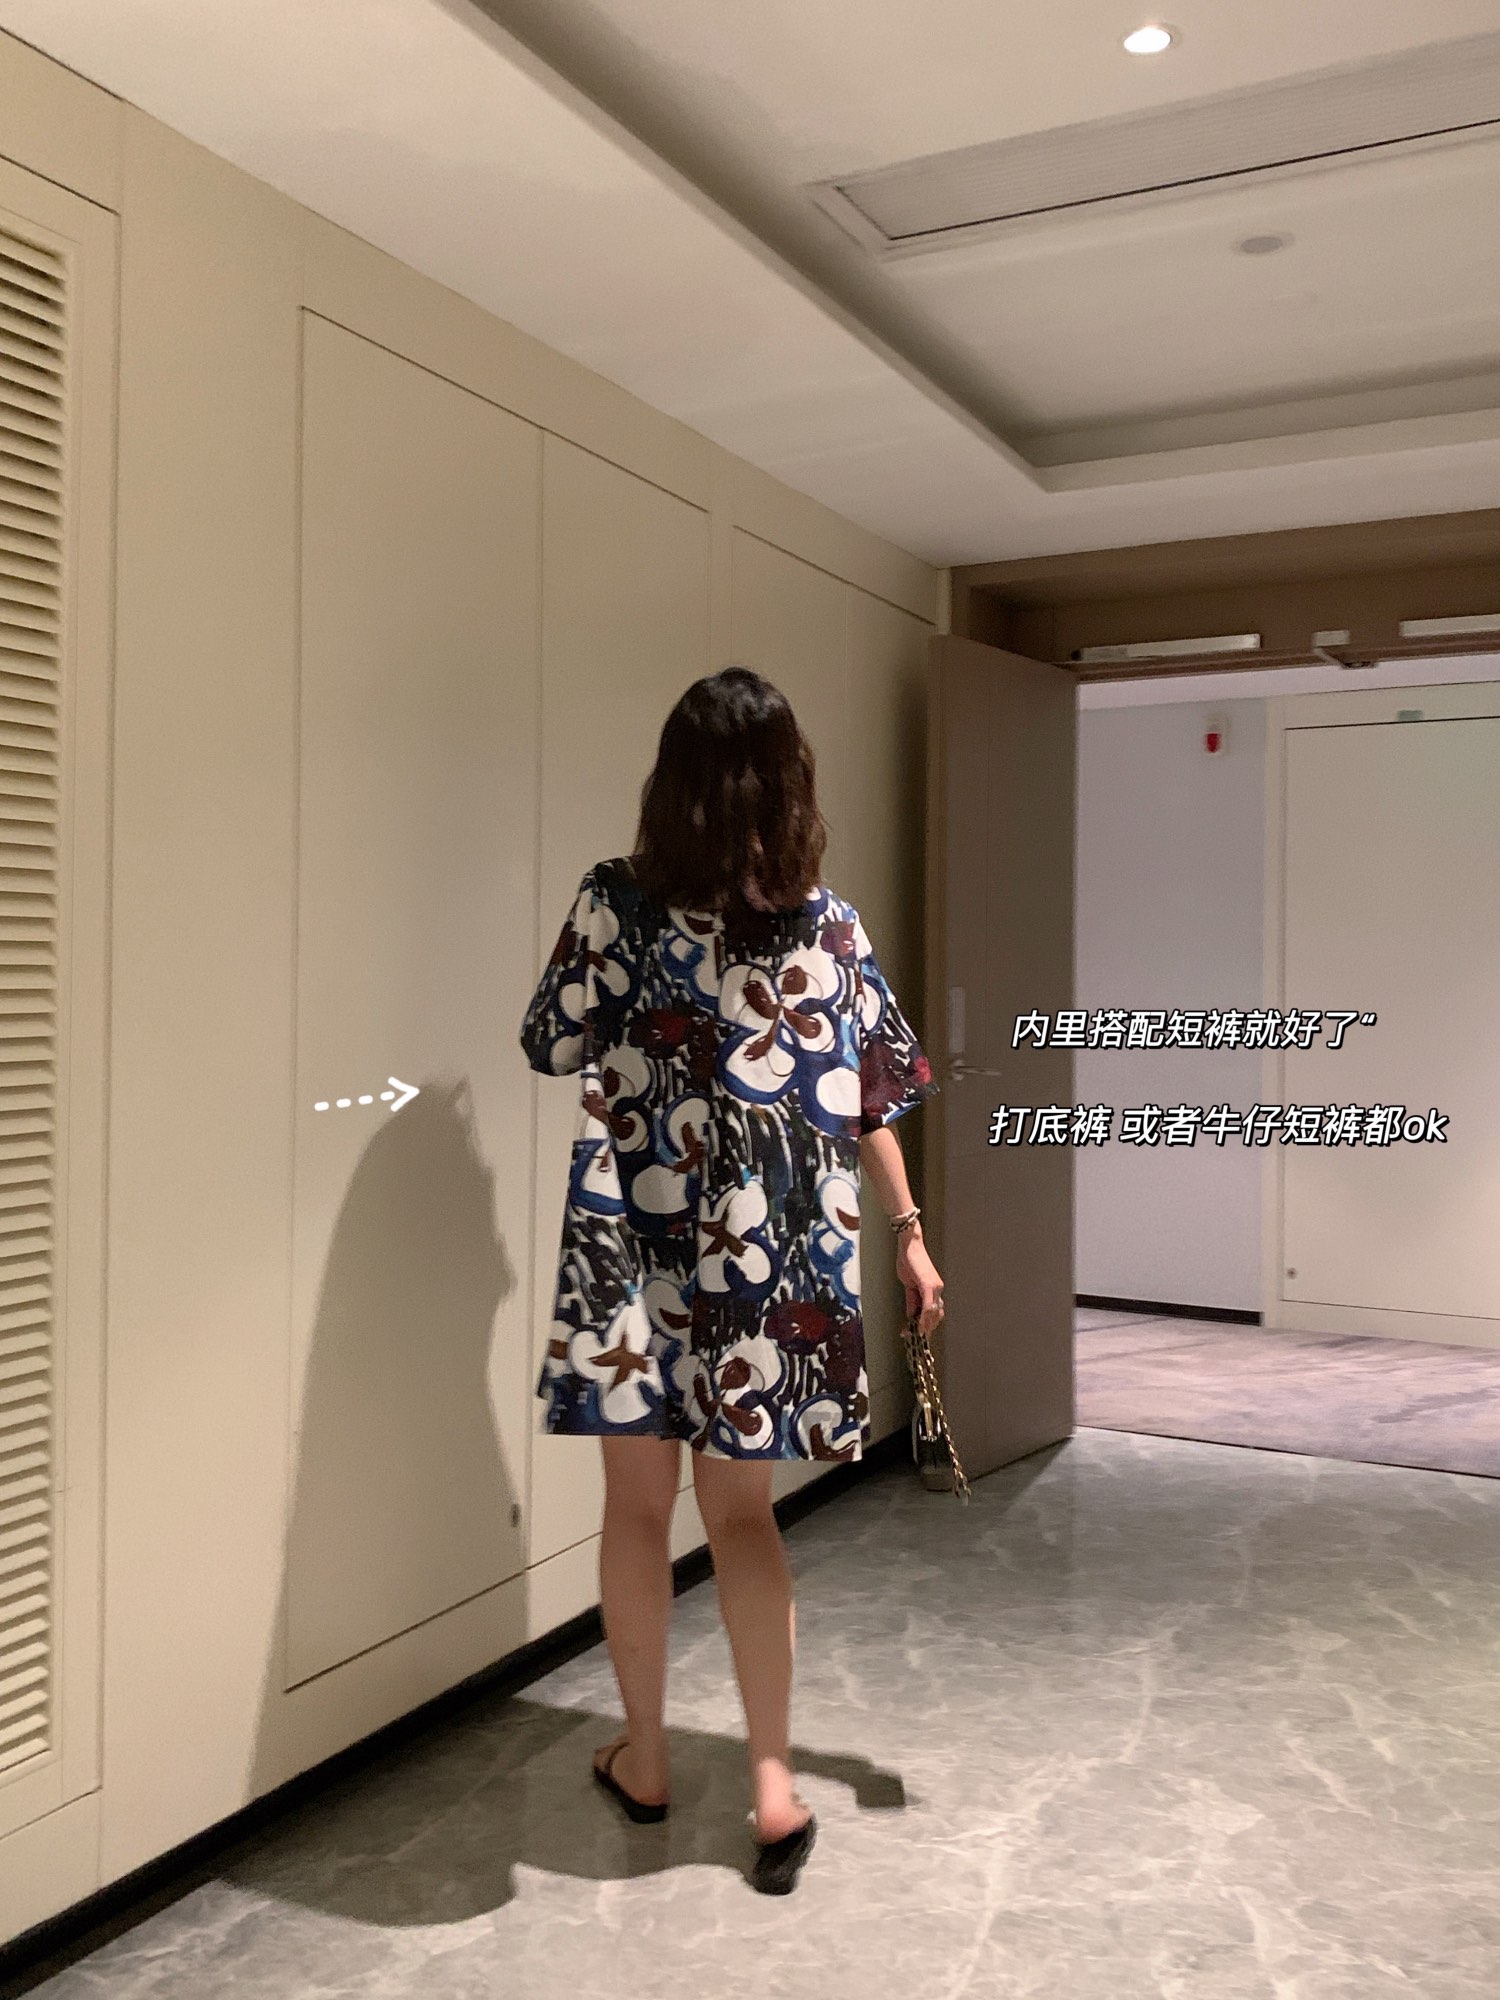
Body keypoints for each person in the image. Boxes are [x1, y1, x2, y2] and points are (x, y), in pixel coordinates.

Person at [520, 664, 944, 1895]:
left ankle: (647, 1758)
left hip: (635, 1246)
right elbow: (872, 1095)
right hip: (772, 1258)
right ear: (792, 784)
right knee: (744, 1515)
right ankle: (771, 1785)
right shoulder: (831, 927)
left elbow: (548, 1038)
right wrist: (909, 1230)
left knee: (636, 1511)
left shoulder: (614, 901)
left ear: (674, 784)